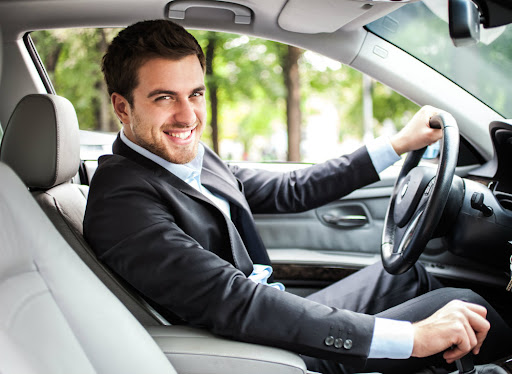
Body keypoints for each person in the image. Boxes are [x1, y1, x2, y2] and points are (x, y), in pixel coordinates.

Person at [83, 19, 511, 374]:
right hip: (256, 353)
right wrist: (413, 339)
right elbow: (232, 302)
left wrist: (396, 145)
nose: (188, 115)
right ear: (123, 107)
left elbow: (290, 189)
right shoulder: (121, 203)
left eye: (195, 93)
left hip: (269, 312)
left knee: (405, 275)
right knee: (465, 308)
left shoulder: (182, 155)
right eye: (164, 98)